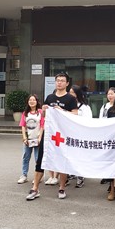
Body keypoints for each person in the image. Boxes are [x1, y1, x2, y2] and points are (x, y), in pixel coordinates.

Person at [27, 72, 78, 201]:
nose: (59, 82)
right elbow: (43, 116)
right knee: (40, 160)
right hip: (49, 134)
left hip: (63, 135)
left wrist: (63, 111)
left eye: (62, 80)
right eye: (57, 80)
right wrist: (44, 110)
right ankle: (35, 188)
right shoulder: (50, 97)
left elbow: (75, 115)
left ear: (67, 83)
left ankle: (62, 188)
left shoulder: (71, 99)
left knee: (62, 160)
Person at [69, 84, 92, 188]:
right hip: (70, 134)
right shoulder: (68, 105)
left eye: (72, 93)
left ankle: (80, 176)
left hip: (81, 135)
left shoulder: (85, 107)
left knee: (80, 156)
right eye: (69, 92)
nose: (70, 95)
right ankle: (71, 173)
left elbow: (88, 121)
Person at [18, 94, 44, 184]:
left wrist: (40, 137)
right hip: (28, 139)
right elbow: (23, 126)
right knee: (26, 158)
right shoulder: (25, 113)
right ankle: (24, 175)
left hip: (37, 139)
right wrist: (24, 138)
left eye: (33, 100)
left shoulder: (40, 112)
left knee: (38, 159)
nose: (32, 102)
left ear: (37, 101)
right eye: (30, 100)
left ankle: (38, 177)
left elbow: (42, 125)